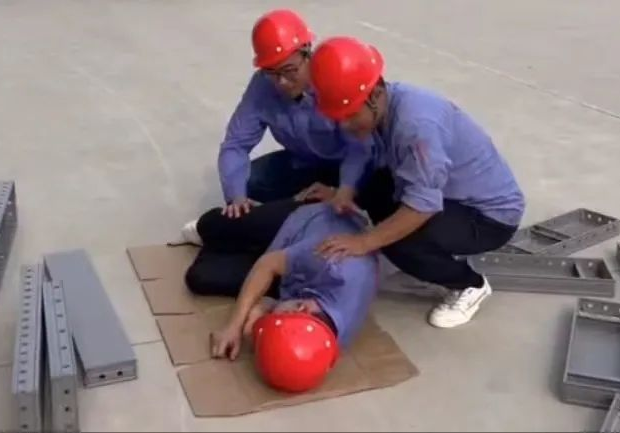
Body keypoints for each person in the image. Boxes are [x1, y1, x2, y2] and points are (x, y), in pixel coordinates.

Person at [306, 36, 526, 329]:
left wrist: (364, 242)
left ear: (374, 94)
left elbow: (422, 206)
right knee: (374, 188)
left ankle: (469, 285)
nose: (344, 125)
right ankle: (427, 258)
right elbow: (360, 151)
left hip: (488, 217)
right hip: (450, 194)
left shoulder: (415, 126)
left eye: (349, 116)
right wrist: (344, 191)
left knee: (400, 241)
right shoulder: (385, 105)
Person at [215, 9, 372, 219]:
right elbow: (235, 144)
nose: (282, 82)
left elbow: (360, 147)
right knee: (249, 183)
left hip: (348, 165)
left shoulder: (334, 76)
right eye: (272, 72)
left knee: (377, 187)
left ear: (307, 53)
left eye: (289, 70)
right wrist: (236, 196)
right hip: (303, 163)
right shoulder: (262, 85)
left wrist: (343, 190)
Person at [181, 199, 379, 363]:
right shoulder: (331, 261)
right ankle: (257, 217)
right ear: (301, 308)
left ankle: (238, 246)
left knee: (199, 277)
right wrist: (234, 326)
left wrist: (264, 306)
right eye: (276, 316)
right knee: (211, 225)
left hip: (294, 273)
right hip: (304, 220)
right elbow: (267, 264)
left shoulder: (328, 343)